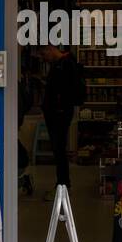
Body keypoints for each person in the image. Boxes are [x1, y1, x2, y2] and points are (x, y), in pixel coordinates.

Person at [41, 43, 85, 191]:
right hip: (58, 112)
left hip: (59, 113)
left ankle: (63, 183)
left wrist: (57, 107)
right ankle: (62, 182)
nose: (44, 58)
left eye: (44, 54)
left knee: (59, 149)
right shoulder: (62, 64)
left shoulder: (64, 65)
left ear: (51, 49)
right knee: (58, 149)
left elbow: (63, 90)